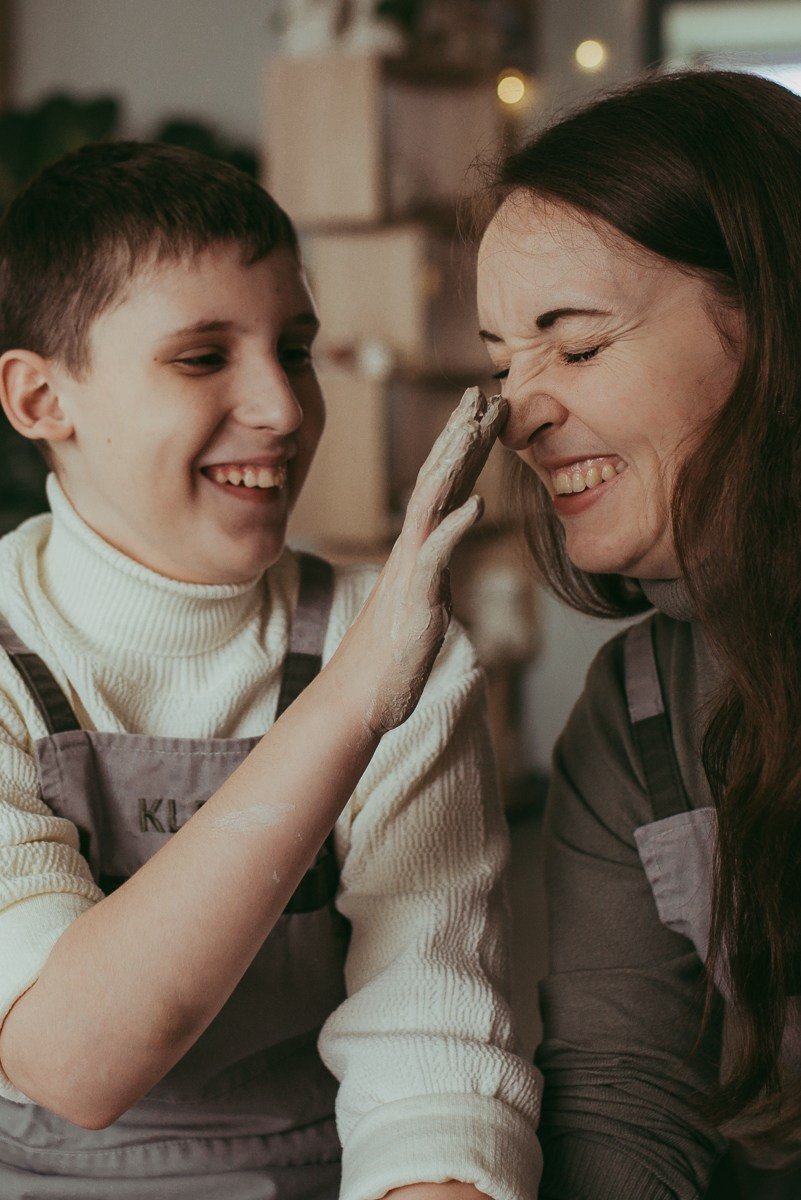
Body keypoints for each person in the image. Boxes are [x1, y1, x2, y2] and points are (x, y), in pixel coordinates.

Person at [0, 140, 542, 1200]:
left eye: (294, 350)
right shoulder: (371, 664)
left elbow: (431, 1065)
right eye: (203, 358)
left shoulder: (397, 646)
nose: (286, 410)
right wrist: (350, 704)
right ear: (39, 400)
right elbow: (74, 1060)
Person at [475, 67, 801, 1199]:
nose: (516, 414)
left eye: (576, 344)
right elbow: (628, 1088)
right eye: (502, 358)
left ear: (769, 321)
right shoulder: (636, 710)